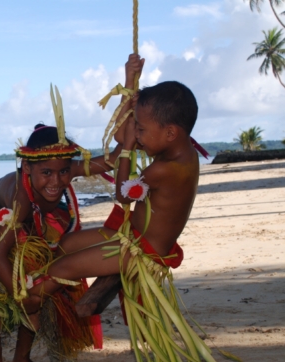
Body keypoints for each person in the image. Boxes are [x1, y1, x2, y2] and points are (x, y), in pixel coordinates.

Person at [0, 80, 139, 362]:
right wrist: (21, 294)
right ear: (27, 169)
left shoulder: (59, 169)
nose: (56, 181)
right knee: (20, 287)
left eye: (64, 171)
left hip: (24, 230)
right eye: (46, 173)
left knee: (40, 286)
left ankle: (20, 359)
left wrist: (129, 85)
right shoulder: (21, 199)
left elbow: (110, 159)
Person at [23, 56, 200, 320]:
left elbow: (122, 194)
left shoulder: (165, 169)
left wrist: (129, 148)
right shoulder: (179, 150)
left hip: (140, 250)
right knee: (68, 242)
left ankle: (29, 302)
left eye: (141, 129)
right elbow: (120, 135)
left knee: (63, 267)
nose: (137, 135)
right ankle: (50, 291)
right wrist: (130, 82)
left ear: (170, 132)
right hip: (129, 233)